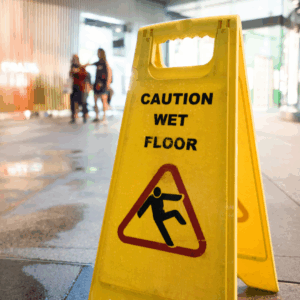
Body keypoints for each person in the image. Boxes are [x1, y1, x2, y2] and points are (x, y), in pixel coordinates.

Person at [91, 48, 112, 124]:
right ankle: (97, 116)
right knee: (95, 101)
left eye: (99, 53)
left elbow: (109, 73)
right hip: (97, 85)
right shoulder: (98, 63)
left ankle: (104, 117)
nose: (97, 54)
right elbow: (90, 64)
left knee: (104, 101)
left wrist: (107, 84)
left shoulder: (105, 63)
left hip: (103, 85)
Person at [69, 54, 89, 124]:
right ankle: (73, 117)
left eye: (75, 58)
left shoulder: (81, 67)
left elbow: (85, 76)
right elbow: (70, 75)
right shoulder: (72, 67)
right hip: (74, 87)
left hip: (81, 87)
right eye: (73, 58)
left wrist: (78, 70)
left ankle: (84, 117)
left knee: (83, 102)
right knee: (73, 103)